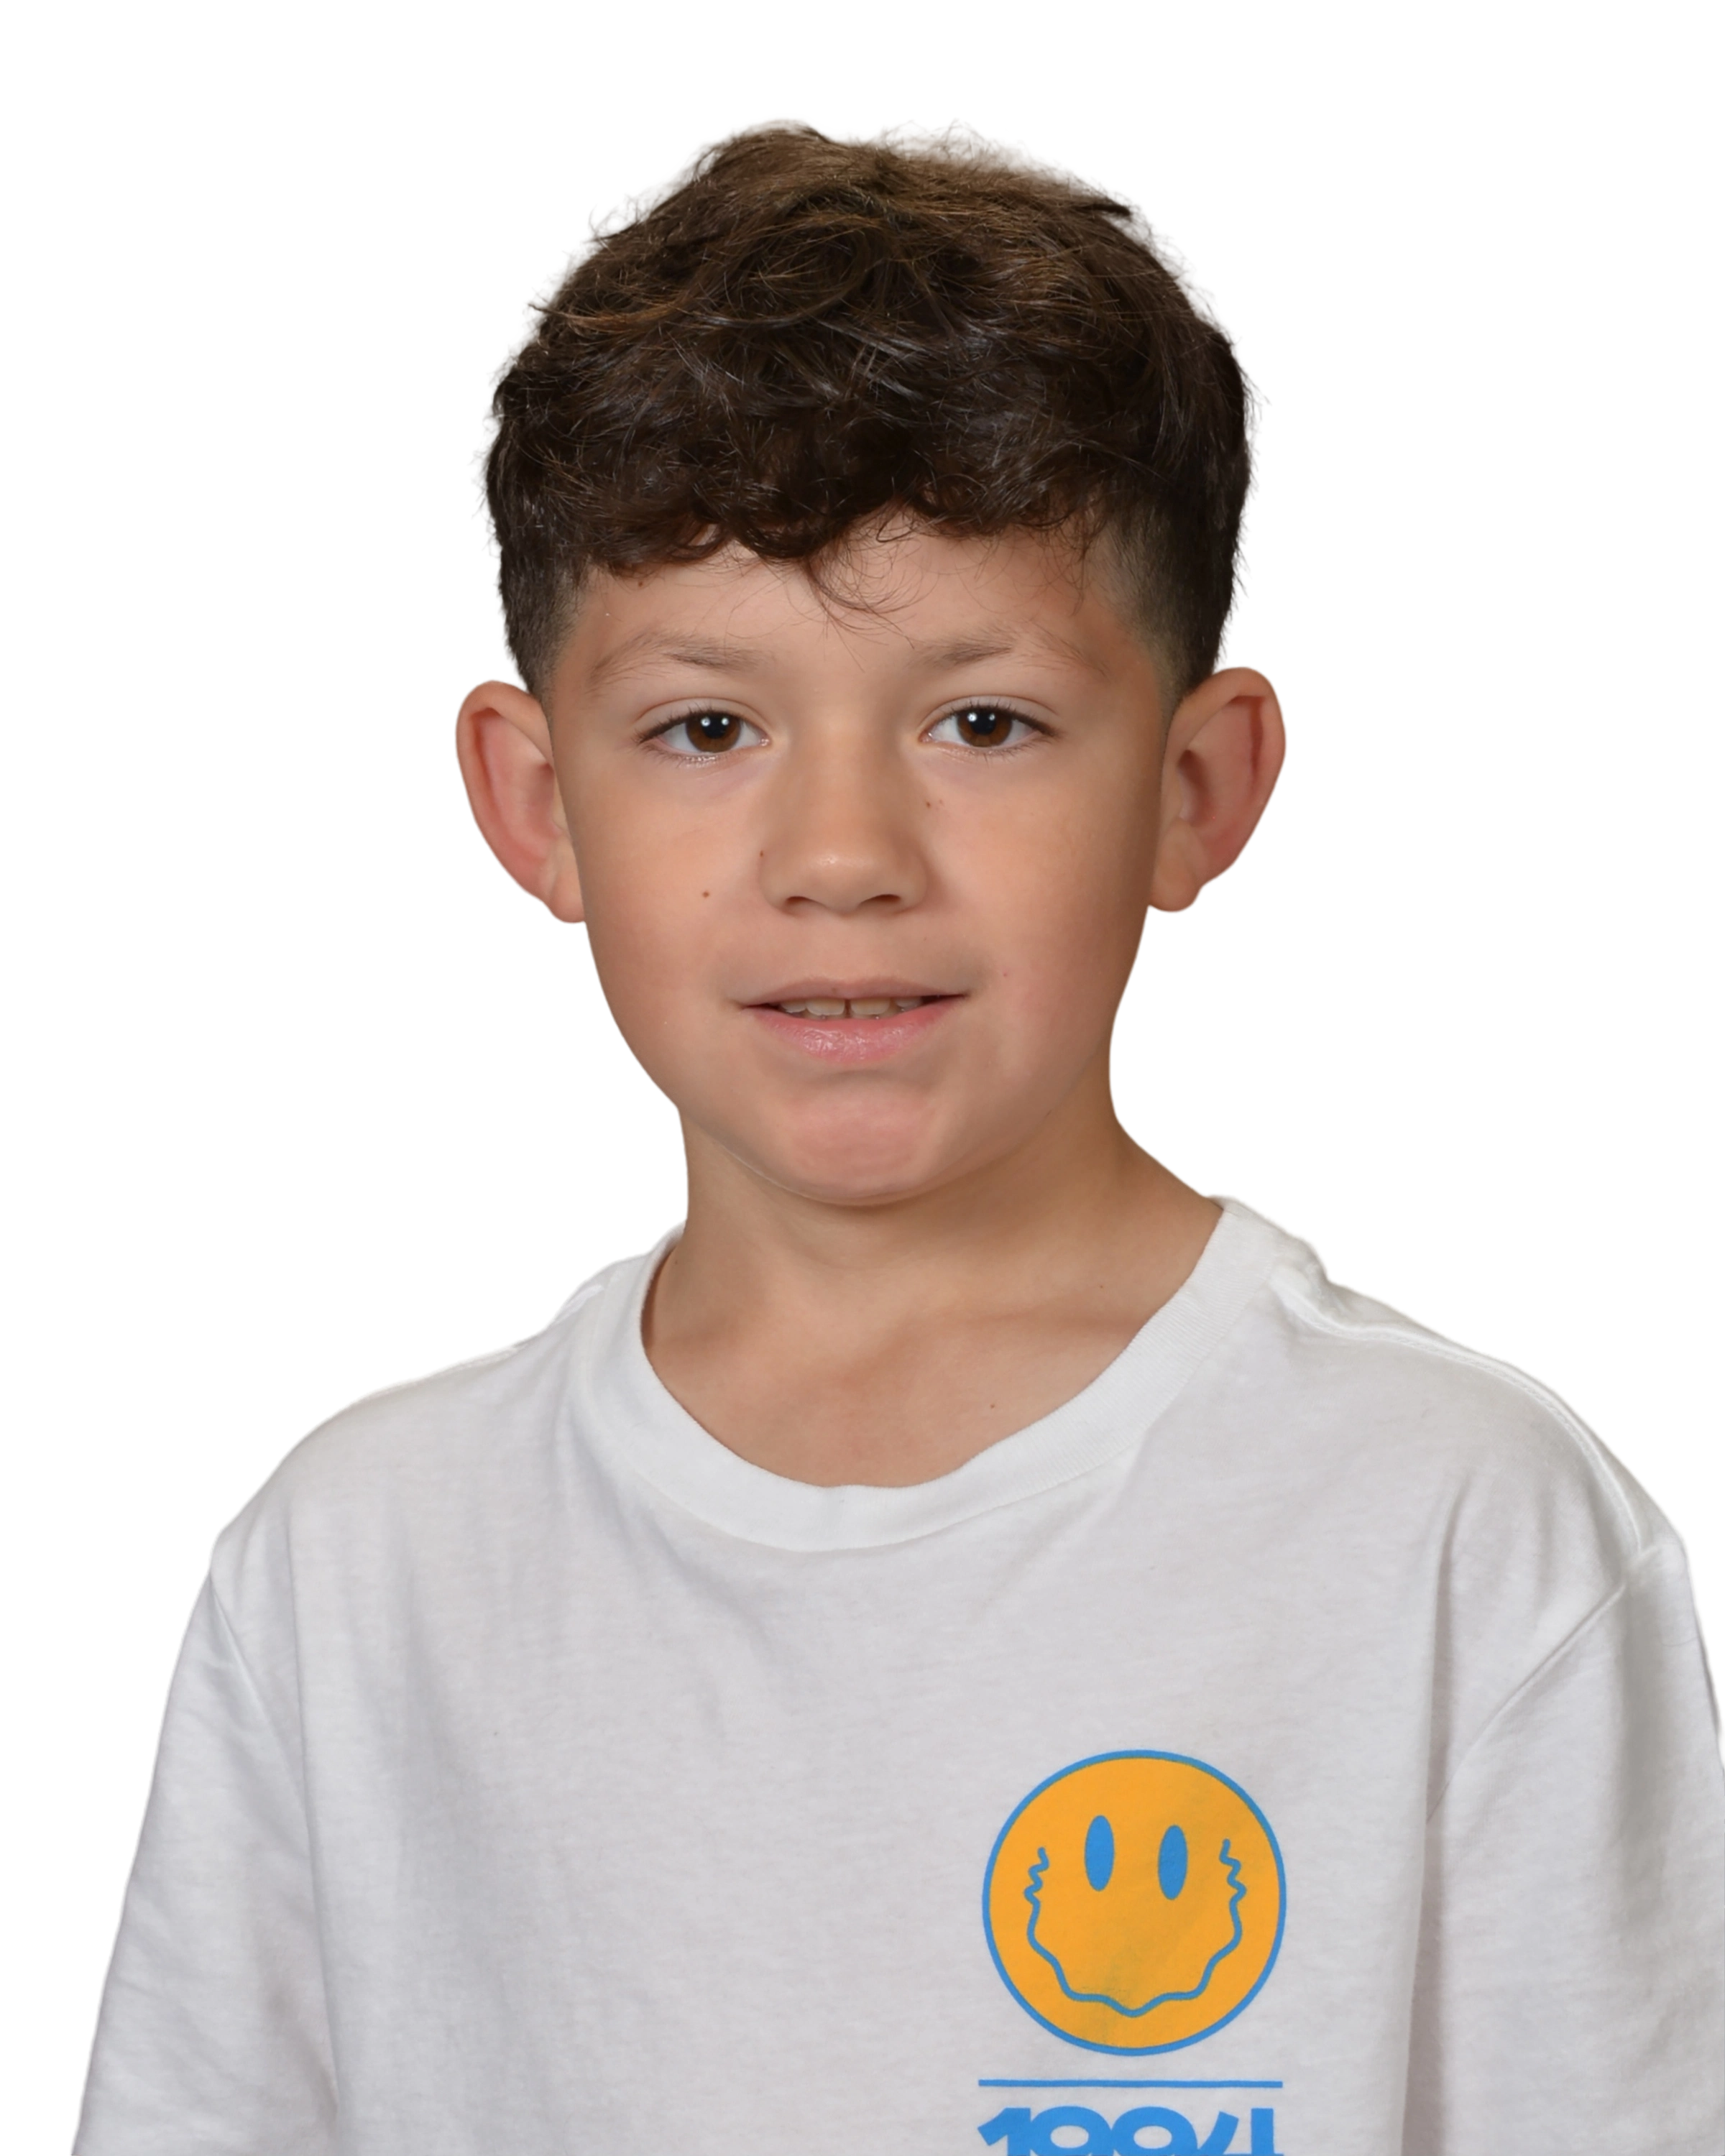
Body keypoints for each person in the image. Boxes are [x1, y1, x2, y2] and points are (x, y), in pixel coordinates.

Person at [70, 114, 1724, 2156]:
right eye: (707, 727)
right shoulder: (357, 1565)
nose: (841, 854)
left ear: (1199, 789)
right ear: (535, 801)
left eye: (983, 721)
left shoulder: (1469, 1531)